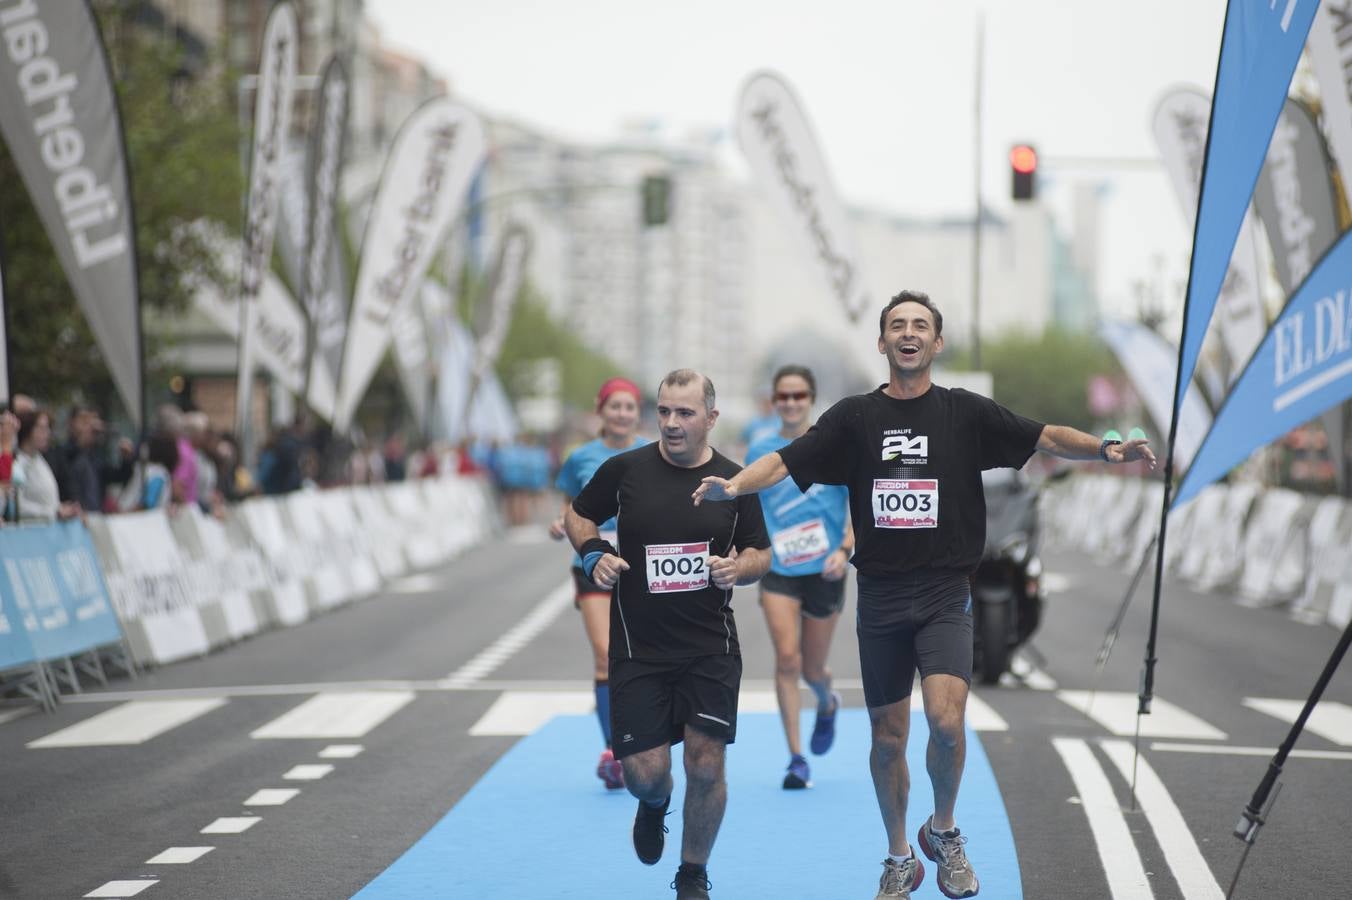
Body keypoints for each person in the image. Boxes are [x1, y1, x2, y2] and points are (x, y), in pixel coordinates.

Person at [693, 291, 1156, 899]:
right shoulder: (853, 419)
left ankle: (944, 830)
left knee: (945, 721)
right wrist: (733, 485)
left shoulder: (965, 414)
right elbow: (784, 460)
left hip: (944, 592)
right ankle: (898, 856)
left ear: (937, 343)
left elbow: (1042, 436)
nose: (908, 333)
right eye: (896, 326)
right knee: (888, 739)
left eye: (920, 326)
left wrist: (1106, 449)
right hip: (882, 596)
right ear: (881, 343)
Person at [564, 369, 771, 900]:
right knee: (645, 774)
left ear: (711, 418)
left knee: (706, 761)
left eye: (685, 413)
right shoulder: (625, 470)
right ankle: (654, 804)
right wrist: (593, 555)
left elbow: (760, 552)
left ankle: (692, 873)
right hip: (639, 651)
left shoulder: (733, 481)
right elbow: (579, 516)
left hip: (710, 648)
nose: (672, 423)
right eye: (664, 412)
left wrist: (737, 568)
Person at [745, 365, 854, 790]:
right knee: (787, 660)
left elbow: (860, 511)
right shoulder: (762, 449)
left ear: (811, 399)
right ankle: (796, 758)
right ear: (774, 402)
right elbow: (746, 506)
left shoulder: (835, 448)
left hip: (825, 571)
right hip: (780, 570)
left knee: (812, 669)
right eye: (783, 397)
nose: (791, 403)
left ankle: (827, 703)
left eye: (799, 396)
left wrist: (844, 550)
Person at [549, 377, 648, 790]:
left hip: (642, 564)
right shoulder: (582, 457)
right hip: (591, 561)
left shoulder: (651, 453)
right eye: (615, 406)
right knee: (605, 654)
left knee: (641, 656)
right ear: (600, 410)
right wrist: (563, 523)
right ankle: (614, 750)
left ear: (637, 413)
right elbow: (571, 503)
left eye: (629, 407)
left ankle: (645, 740)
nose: (622, 414)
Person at [13, 409, 81, 523]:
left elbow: (49, 501)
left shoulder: (41, 460)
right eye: (41, 428)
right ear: (27, 430)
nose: (47, 433)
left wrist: (62, 508)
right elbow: (17, 506)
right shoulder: (17, 463)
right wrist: (53, 512)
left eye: (48, 428)